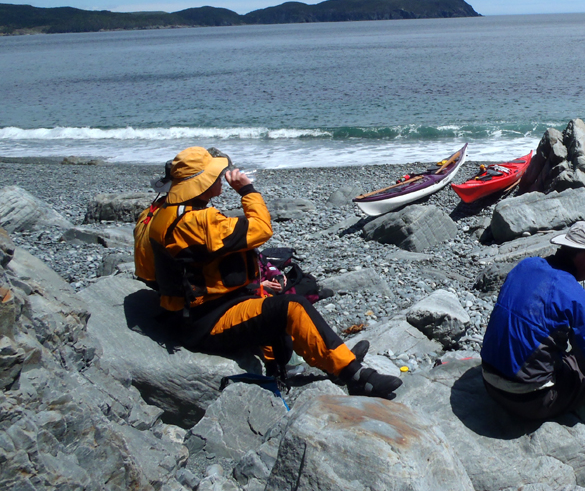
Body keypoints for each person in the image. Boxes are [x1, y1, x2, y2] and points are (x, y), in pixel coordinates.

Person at [134, 146, 401, 399]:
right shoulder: (197, 222)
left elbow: (145, 272)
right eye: (215, 175)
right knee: (291, 307)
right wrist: (246, 190)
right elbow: (261, 228)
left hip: (188, 313)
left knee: (270, 296)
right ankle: (354, 376)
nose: (221, 178)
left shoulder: (155, 215)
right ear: (200, 184)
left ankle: (324, 361)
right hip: (205, 321)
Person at [480, 221, 585, 442]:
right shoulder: (576, 295)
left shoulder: (525, 266)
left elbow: (540, 312)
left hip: (489, 380)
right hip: (528, 399)